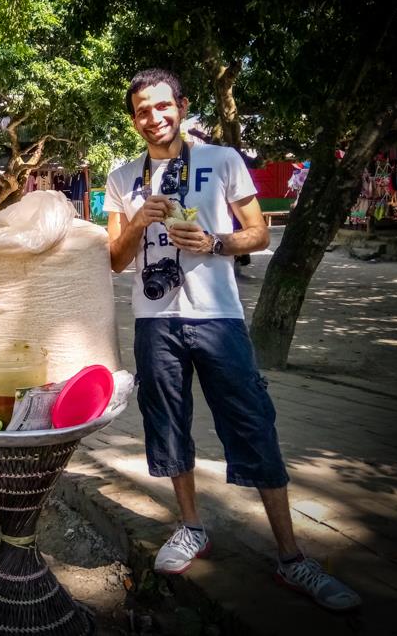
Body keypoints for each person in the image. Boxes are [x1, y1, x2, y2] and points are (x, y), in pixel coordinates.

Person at [104, 69, 361, 612]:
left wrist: (216, 242)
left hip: (217, 317)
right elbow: (113, 259)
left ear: (182, 106)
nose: (154, 118)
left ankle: (292, 556)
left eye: (162, 106)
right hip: (154, 321)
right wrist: (137, 222)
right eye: (142, 111)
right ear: (134, 119)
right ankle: (192, 526)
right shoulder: (122, 176)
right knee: (166, 425)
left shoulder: (221, 160)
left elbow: (259, 233)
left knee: (252, 422)